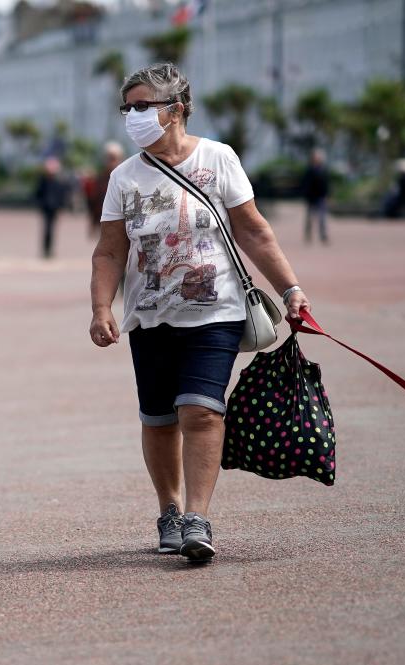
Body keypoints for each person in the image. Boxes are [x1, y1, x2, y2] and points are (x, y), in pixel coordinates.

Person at [89, 62, 311, 564]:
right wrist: (103, 307)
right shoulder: (124, 177)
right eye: (128, 108)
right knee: (160, 418)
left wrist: (291, 287)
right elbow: (109, 251)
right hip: (149, 315)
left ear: (177, 109)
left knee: (201, 411)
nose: (133, 116)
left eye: (143, 106)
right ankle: (168, 509)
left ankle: (197, 517)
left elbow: (253, 230)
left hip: (218, 311)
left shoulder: (218, 158)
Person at [84, 141, 124, 235]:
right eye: (109, 158)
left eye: (113, 158)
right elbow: (95, 201)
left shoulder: (126, 178)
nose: (111, 162)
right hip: (105, 220)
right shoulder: (100, 178)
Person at [35, 156, 70, 258]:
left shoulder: (59, 181)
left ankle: (50, 250)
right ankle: (46, 250)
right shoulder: (43, 181)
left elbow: (62, 195)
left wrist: (61, 206)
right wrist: (40, 204)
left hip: (55, 208)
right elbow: (38, 194)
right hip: (46, 208)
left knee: (52, 230)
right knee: (47, 229)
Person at [300, 148, 331, 244]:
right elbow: (305, 184)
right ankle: (308, 235)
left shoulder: (323, 170)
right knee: (309, 218)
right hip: (311, 198)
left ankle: (323, 236)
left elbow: (326, 184)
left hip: (321, 197)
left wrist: (327, 195)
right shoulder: (309, 170)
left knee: (322, 218)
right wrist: (305, 194)